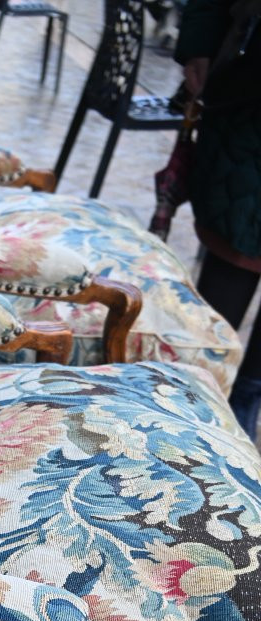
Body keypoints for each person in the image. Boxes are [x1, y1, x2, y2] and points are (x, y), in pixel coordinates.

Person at [175, 0, 261, 437]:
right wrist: (199, 46)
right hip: (246, 96)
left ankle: (247, 392)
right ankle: (202, 391)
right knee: (237, 243)